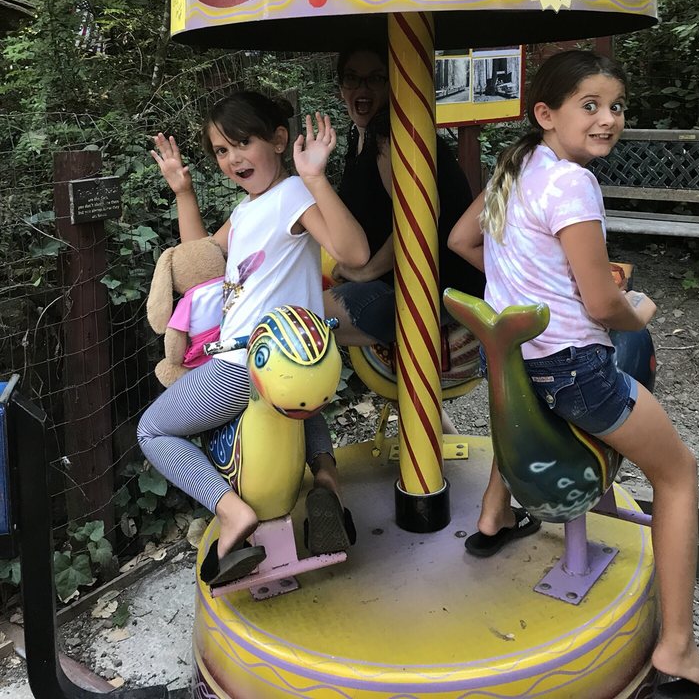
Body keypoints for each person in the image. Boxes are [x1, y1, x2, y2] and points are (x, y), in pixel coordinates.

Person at [447, 50, 699, 698]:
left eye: (616, 106)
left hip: (515, 362)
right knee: (678, 472)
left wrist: (525, 280)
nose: (608, 119)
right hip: (574, 368)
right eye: (591, 106)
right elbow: (602, 304)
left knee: (527, 406)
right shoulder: (573, 184)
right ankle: (678, 650)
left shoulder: (515, 164)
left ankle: (494, 515)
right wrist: (639, 312)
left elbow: (463, 242)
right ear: (546, 113)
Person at [138, 91, 369, 587]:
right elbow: (201, 261)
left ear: (279, 140)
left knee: (152, 431)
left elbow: (353, 254)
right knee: (297, 403)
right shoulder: (247, 211)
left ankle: (231, 512)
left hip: (241, 365)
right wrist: (183, 192)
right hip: (298, 364)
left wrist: (315, 178)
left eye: (243, 142)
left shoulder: (293, 195)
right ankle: (326, 483)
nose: (233, 158)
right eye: (222, 150)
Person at [324, 41, 484, 355]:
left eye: (375, 78)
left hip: (428, 289)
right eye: (352, 78)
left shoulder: (390, 133)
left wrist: (367, 272)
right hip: (404, 283)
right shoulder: (359, 136)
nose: (362, 88)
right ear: (342, 87)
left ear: (391, 84)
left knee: (293, 319)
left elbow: (419, 215)